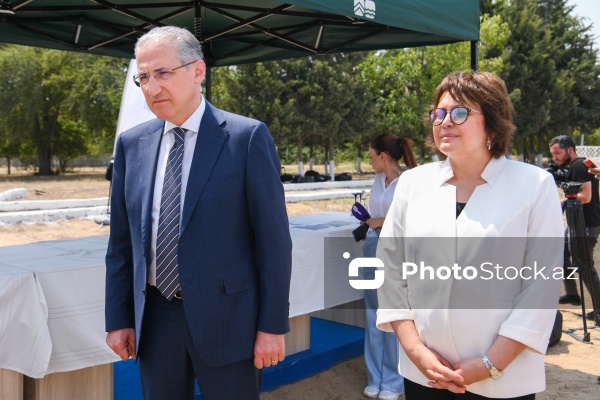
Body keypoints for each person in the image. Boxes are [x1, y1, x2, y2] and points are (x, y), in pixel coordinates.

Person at [104, 26, 292, 400]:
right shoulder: (132, 145)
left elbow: (273, 243)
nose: (151, 88)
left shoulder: (246, 137)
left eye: (162, 73)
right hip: (156, 320)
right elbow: (121, 244)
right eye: (143, 77)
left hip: (230, 320)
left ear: (197, 71)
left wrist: (272, 327)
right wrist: (119, 318)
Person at [375, 70, 564, 399]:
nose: (445, 121)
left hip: (501, 378)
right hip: (426, 373)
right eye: (439, 112)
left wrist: (492, 363)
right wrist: (415, 349)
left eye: (460, 112)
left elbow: (542, 283)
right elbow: (390, 271)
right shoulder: (413, 184)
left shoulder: (533, 185)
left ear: (493, 122)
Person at [362, 134, 417, 400]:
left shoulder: (410, 182)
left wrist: (379, 220)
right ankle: (375, 378)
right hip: (373, 246)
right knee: (372, 314)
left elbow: (410, 219)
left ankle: (394, 382)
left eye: (371, 156)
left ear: (383, 156)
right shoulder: (376, 180)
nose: (369, 161)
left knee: (395, 313)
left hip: (397, 251)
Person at [549, 135, 600, 320]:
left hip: (584, 224)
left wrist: (564, 199)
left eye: (557, 153)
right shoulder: (581, 165)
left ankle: (599, 310)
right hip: (576, 222)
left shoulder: (579, 166)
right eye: (552, 154)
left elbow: (586, 197)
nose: (555, 158)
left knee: (585, 266)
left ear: (570, 149)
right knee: (563, 254)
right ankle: (572, 294)